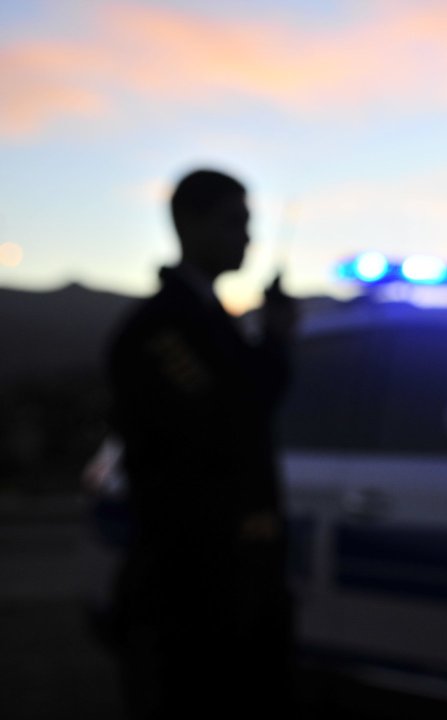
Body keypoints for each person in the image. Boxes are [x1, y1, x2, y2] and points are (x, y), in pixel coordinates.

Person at [107, 168, 297, 719]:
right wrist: (274, 342)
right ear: (188, 224)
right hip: (191, 589)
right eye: (234, 222)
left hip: (233, 581)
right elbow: (226, 420)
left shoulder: (210, 319)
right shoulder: (162, 327)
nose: (248, 237)